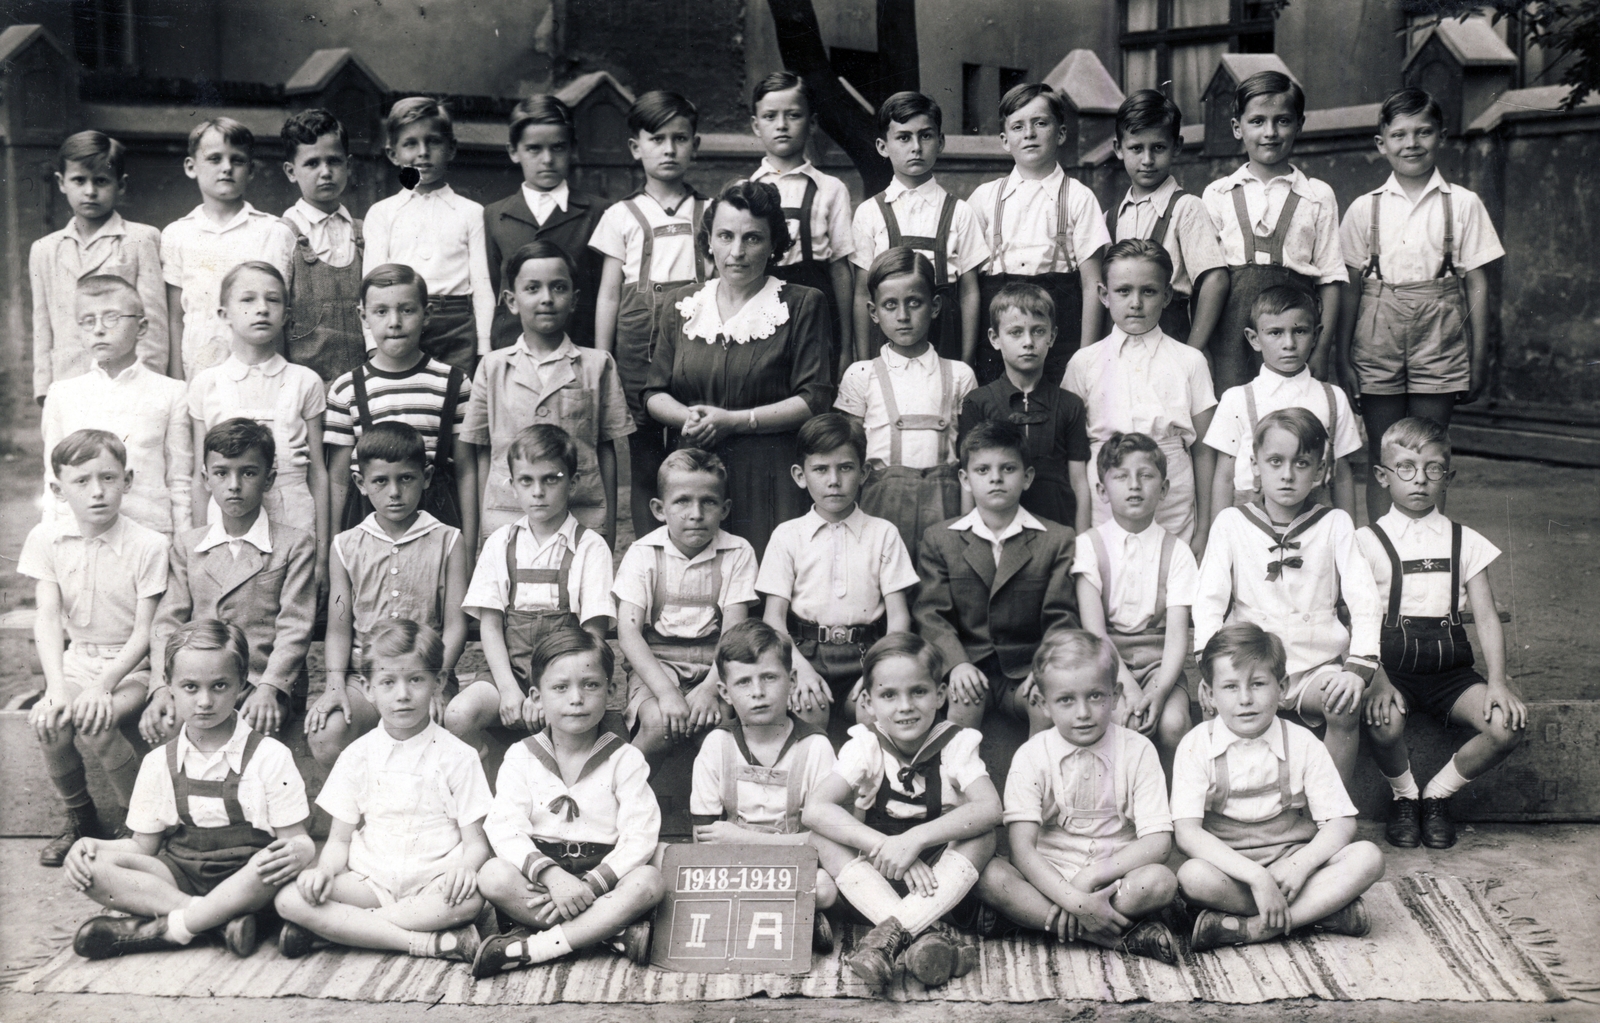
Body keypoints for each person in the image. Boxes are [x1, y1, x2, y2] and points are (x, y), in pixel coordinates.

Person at [65, 620, 313, 960]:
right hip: (182, 875)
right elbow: (142, 847)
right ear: (169, 685)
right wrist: (90, 844)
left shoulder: (270, 756)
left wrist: (300, 850)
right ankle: (216, 921)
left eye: (220, 686)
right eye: (190, 687)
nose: (205, 701)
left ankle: (174, 929)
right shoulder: (158, 763)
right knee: (91, 867)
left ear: (242, 683)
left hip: (250, 881)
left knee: (269, 863)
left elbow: (294, 839)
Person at [276, 619, 492, 963]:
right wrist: (324, 871)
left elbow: (476, 844)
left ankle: (338, 930)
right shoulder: (357, 755)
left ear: (437, 683)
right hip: (371, 883)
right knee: (290, 897)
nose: (402, 694)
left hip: (433, 885)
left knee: (470, 899)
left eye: (416, 680)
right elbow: (339, 841)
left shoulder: (458, 756)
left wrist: (465, 870)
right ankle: (426, 942)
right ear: (368, 688)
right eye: (388, 682)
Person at [643, 178, 834, 561]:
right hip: (696, 477)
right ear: (708, 241)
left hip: (770, 477)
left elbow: (815, 399)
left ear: (773, 244)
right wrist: (688, 417)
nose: (737, 252)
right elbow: (653, 393)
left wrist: (734, 420)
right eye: (726, 236)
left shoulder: (801, 304)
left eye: (753, 238)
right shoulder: (682, 304)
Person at [1356, 417, 1524, 850]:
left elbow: (1485, 617)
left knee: (1506, 726)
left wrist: (1498, 684)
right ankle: (1405, 796)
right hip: (1391, 669)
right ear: (1383, 476)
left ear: (1447, 477)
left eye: (1433, 469)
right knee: (1381, 720)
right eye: (1406, 468)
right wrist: (1376, 678)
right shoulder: (1365, 541)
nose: (1420, 480)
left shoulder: (1466, 541)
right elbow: (1357, 616)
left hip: (1451, 672)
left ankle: (1436, 795)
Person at [1194, 408, 1384, 790]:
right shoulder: (1231, 523)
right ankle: (1232, 805)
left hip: (1313, 667)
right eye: (1275, 461)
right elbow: (1209, 601)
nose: (1287, 474)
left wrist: (1358, 667)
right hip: (1250, 664)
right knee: (1223, 709)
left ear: (1319, 472)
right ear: (1255, 466)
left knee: (1342, 704)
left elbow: (1365, 600)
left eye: (1302, 463)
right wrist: (1209, 666)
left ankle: (1329, 810)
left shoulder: (1335, 524)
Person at [1338, 88, 1504, 523]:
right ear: (1381, 143)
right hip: (1376, 330)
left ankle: (1430, 559)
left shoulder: (1463, 204)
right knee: (1385, 449)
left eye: (1423, 132)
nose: (1411, 143)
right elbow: (1351, 288)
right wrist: (1342, 355)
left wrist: (1480, 356)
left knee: (1430, 449)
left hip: (1441, 331)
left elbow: (1478, 283)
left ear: (1442, 136)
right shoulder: (1363, 209)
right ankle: (1381, 554)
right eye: (1399, 134)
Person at [1173, 623, 1384, 952]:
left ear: (1282, 687)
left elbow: (1342, 822)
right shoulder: (1197, 744)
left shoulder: (1302, 743)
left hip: (1292, 866)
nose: (1245, 699)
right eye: (1230, 687)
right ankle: (1319, 913)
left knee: (1367, 858)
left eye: (1258, 684)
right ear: (1210, 694)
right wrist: (1257, 877)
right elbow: (1187, 833)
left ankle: (1254, 928)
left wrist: (1299, 866)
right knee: (1191, 876)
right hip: (1232, 871)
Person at [803, 633, 997, 990]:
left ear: (940, 695)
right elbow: (815, 809)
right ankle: (923, 936)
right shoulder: (866, 744)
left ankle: (885, 944)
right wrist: (887, 847)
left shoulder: (955, 742)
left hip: (940, 879)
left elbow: (991, 808)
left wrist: (915, 839)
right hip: (877, 876)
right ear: (869, 702)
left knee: (984, 835)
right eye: (889, 695)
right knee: (821, 838)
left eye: (918, 692)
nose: (905, 705)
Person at [976, 630, 1178, 963]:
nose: (1082, 712)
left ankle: (1039, 921)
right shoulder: (1032, 755)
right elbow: (1022, 849)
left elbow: (1158, 842)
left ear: (1115, 695)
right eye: (1066, 700)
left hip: (1114, 879)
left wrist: (1092, 877)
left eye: (1095, 696)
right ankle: (1105, 935)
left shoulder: (1137, 750)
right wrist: (1074, 900)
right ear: (1043, 703)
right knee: (990, 877)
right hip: (1049, 878)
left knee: (1160, 882)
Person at [473, 630, 663, 976]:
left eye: (590, 685)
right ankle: (608, 934)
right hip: (540, 881)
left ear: (611, 691)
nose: (576, 698)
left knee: (649, 881)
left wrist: (589, 884)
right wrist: (552, 876)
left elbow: (640, 834)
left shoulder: (626, 758)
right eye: (560, 688)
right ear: (536, 696)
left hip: (601, 879)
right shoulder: (521, 756)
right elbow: (504, 826)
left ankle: (536, 946)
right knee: (492, 875)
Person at [21, 429, 169, 867]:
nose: (98, 492)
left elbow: (146, 632)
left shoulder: (149, 544)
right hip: (78, 659)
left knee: (96, 721)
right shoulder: (47, 539)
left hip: (133, 668)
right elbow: (47, 617)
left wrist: (104, 685)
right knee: (52, 721)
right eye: (82, 481)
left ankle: (139, 825)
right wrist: (55, 688)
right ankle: (81, 817)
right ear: (57, 490)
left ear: (128, 480)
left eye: (108, 477)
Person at [306, 422, 470, 766]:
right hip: (366, 681)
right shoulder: (346, 545)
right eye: (381, 481)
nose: (394, 492)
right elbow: (339, 627)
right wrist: (335, 685)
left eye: (406, 479)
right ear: (360, 483)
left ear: (425, 477)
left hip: (426, 676)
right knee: (326, 733)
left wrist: (438, 681)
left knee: (442, 733)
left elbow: (455, 626)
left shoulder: (449, 540)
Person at [145, 419, 317, 741]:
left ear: (269, 479)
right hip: (202, 684)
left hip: (261, 684)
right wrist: (160, 687)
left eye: (248, 472)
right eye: (222, 473)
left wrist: (270, 687)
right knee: (167, 724)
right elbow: (167, 623)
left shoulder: (293, 545)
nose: (234, 485)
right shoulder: (189, 545)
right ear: (206, 478)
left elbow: (296, 626)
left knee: (251, 731)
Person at [449, 425, 615, 752]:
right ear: (513, 486)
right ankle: (489, 773)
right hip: (508, 672)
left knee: (567, 731)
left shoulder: (590, 546)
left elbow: (593, 636)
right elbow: (492, 626)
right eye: (527, 480)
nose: (538, 491)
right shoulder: (501, 542)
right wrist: (510, 691)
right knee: (457, 714)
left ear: (573, 481)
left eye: (551, 478)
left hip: (569, 676)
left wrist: (556, 689)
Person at [591, 90, 707, 541]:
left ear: (695, 145)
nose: (670, 149)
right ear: (636, 147)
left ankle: (691, 540)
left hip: (694, 340)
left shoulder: (709, 210)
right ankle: (645, 547)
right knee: (642, 452)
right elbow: (607, 294)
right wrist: (602, 359)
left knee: (692, 441)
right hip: (637, 341)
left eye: (680, 138)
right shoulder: (620, 215)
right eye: (657, 138)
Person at [913, 420, 1079, 732]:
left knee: (1045, 706)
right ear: (964, 478)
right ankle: (955, 782)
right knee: (962, 704)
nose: (996, 478)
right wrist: (957, 663)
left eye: (1008, 469)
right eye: (982, 470)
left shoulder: (1057, 539)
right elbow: (930, 615)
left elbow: (1062, 617)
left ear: (1027, 477)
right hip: (969, 666)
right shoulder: (940, 539)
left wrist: (1045, 668)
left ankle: (1036, 781)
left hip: (1028, 670)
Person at [758, 414, 918, 731]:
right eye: (820, 469)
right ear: (800, 475)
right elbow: (773, 619)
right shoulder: (787, 535)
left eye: (845, 467)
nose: (834, 480)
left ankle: (874, 779)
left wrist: (877, 671)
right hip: (806, 654)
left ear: (864, 473)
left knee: (872, 715)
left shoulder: (883, 533)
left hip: (867, 654)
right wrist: (798, 668)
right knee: (808, 708)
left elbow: (899, 618)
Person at [467, 241, 631, 544]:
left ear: (574, 299)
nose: (546, 299)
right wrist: (487, 527)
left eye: (558, 288)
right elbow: (482, 451)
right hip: (508, 519)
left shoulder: (597, 365)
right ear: (511, 300)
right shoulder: (492, 367)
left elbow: (606, 449)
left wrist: (606, 527)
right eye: (532, 289)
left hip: (581, 519)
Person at [688, 620, 839, 948]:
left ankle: (758, 917)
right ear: (725, 692)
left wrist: (741, 837)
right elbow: (705, 837)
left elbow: (825, 844)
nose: (758, 692)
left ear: (792, 681)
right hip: (731, 865)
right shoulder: (717, 745)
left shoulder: (814, 747)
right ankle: (793, 918)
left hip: (793, 864)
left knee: (825, 888)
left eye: (769, 677)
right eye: (744, 682)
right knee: (668, 865)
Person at [186, 261, 329, 591]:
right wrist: (199, 550)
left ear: (287, 313)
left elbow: (318, 472)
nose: (262, 309)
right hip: (227, 517)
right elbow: (199, 476)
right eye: (247, 300)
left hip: (293, 513)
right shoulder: (207, 384)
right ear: (224, 315)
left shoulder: (304, 382)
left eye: (273, 300)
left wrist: (321, 555)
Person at [1064, 238, 1217, 548]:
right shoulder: (1084, 362)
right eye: (1123, 291)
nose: (1136, 302)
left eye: (1148, 291)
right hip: (1103, 495)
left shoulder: (1189, 360)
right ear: (1104, 296)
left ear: (1166, 296)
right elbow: (1072, 450)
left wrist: (1204, 529)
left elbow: (1203, 450)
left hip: (1172, 497)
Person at [1201, 71, 1345, 391]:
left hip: (1293, 332)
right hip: (1232, 333)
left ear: (1299, 125)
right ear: (1238, 128)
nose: (1270, 132)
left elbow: (1332, 279)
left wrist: (1321, 351)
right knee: (1237, 416)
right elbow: (1206, 279)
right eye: (1257, 122)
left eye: (1282, 120)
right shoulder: (1218, 194)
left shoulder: (1317, 195)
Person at [615, 448, 758, 765]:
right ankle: (619, 798)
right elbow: (628, 632)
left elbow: (733, 634)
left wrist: (709, 690)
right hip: (657, 665)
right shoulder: (643, 553)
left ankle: (722, 811)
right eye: (682, 501)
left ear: (724, 509)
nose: (696, 513)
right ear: (659, 508)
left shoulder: (737, 552)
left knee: (720, 733)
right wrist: (666, 693)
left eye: (708, 501)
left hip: (715, 666)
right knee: (658, 724)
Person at [836, 247, 977, 566]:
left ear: (935, 305)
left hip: (945, 510)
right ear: (873, 312)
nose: (903, 316)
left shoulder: (959, 375)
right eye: (890, 305)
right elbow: (848, 457)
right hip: (881, 512)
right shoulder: (861, 374)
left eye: (914, 303)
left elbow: (971, 455)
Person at [324, 263, 477, 547]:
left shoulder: (454, 383)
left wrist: (469, 551)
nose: (394, 322)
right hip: (370, 524)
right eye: (381, 311)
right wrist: (334, 549)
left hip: (439, 522)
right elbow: (338, 481)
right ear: (364, 316)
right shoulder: (346, 389)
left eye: (406, 310)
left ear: (426, 313)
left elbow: (467, 471)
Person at [1074, 433, 1199, 778]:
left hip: (1161, 664)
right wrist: (1127, 686)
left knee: (1174, 724)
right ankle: (1123, 813)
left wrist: (1157, 695)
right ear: (1102, 490)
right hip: (1106, 663)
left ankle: (1178, 810)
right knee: (1120, 720)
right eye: (1121, 476)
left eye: (1146, 475)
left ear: (1164, 489)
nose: (1134, 485)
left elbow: (1176, 637)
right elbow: (1095, 632)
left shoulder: (1177, 551)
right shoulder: (1088, 546)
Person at [969, 82, 1108, 385]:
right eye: (1018, 126)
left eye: (1040, 123)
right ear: (1005, 140)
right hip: (997, 342)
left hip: (1059, 340)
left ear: (1060, 133)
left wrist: (1085, 359)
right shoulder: (984, 198)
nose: (1029, 133)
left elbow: (1091, 285)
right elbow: (969, 284)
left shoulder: (1078, 197)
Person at [41, 275, 191, 536]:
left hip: (150, 534)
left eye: (111, 317)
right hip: (81, 537)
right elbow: (52, 479)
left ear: (141, 327)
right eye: (88, 321)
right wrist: (50, 542)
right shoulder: (62, 394)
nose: (99, 329)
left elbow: (179, 482)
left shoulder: (171, 392)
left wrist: (183, 545)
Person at [1202, 284, 1361, 524]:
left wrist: (1350, 533)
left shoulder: (1333, 397)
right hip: (1251, 520)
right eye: (1275, 332)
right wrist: (1217, 540)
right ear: (1254, 339)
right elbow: (1224, 477)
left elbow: (1342, 477)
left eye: (1300, 332)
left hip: (1317, 518)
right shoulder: (1237, 398)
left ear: (1316, 335)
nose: (1289, 343)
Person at [850, 91, 988, 364]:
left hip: (945, 335)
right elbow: (861, 293)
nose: (916, 146)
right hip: (888, 333)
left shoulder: (960, 212)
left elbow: (970, 291)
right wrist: (863, 362)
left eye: (925, 136)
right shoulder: (869, 212)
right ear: (882, 146)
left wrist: (967, 360)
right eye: (904, 137)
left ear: (940, 142)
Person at [30, 130, 166, 402]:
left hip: (127, 384)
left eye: (101, 181)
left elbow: (153, 322)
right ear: (61, 182)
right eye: (79, 180)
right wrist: (45, 391)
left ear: (121, 184)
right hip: (68, 384)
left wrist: (150, 382)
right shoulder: (45, 249)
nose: (90, 191)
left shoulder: (140, 239)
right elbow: (42, 325)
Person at [364, 97, 493, 373]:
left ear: (451, 149)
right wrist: (372, 344)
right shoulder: (382, 213)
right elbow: (372, 285)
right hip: (401, 322)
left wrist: (483, 346)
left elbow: (482, 286)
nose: (423, 152)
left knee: (457, 404)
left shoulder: (470, 212)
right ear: (392, 154)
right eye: (410, 143)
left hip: (457, 327)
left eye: (433, 141)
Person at [161, 117, 296, 379]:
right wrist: (178, 381)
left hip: (260, 368)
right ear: (191, 166)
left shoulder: (273, 231)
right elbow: (175, 317)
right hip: (197, 368)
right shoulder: (177, 234)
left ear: (251, 170)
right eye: (214, 159)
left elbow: (284, 312)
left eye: (237, 160)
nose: (227, 168)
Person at [958, 281, 1092, 532]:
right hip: (996, 531)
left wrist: (1082, 543)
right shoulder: (978, 402)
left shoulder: (1070, 404)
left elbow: (1079, 482)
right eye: (1016, 332)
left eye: (1038, 331)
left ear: (1052, 336)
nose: (1028, 341)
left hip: (1056, 530)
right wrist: (968, 534)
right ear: (995, 339)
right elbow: (970, 478)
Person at [749, 71, 856, 374]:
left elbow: (839, 267)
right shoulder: (745, 190)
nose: (781, 125)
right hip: (761, 297)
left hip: (818, 299)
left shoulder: (831, 188)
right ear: (756, 125)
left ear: (811, 123)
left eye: (793, 115)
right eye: (770, 116)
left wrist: (847, 346)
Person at [1107, 89, 1229, 351]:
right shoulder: (1113, 216)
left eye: (1158, 148)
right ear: (1118, 149)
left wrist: (1193, 351)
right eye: (1137, 149)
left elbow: (1215, 280)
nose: (1148, 160)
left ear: (1177, 147)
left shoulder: (1186, 208)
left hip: (1172, 338)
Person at [485, 94, 607, 350]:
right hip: (512, 350)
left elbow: (604, 292)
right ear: (513, 151)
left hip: (579, 347)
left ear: (572, 149)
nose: (548, 159)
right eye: (534, 149)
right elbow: (493, 287)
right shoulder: (494, 216)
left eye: (558, 147)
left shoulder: (598, 212)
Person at [279, 107, 366, 383]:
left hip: (362, 377)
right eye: (312, 163)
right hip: (305, 382)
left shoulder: (363, 231)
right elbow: (274, 311)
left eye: (334, 161)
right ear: (291, 172)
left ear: (349, 165)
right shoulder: (284, 233)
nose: (326, 172)